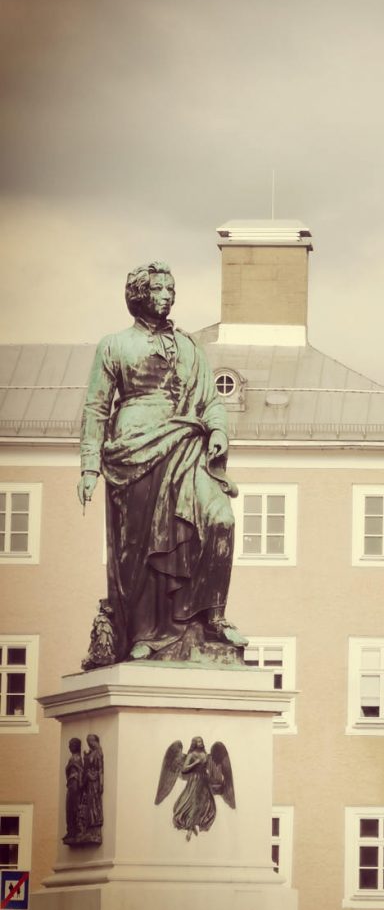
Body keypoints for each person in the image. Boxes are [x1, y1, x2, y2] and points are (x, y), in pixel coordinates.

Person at [78, 261, 245, 661]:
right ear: (139, 295)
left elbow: (209, 401)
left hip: (187, 442)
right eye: (158, 289)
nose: (168, 296)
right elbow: (96, 407)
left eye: (171, 289)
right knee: (140, 549)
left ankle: (213, 615)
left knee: (220, 519)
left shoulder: (189, 347)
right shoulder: (114, 345)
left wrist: (218, 432)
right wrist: (89, 464)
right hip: (133, 449)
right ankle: (144, 633)